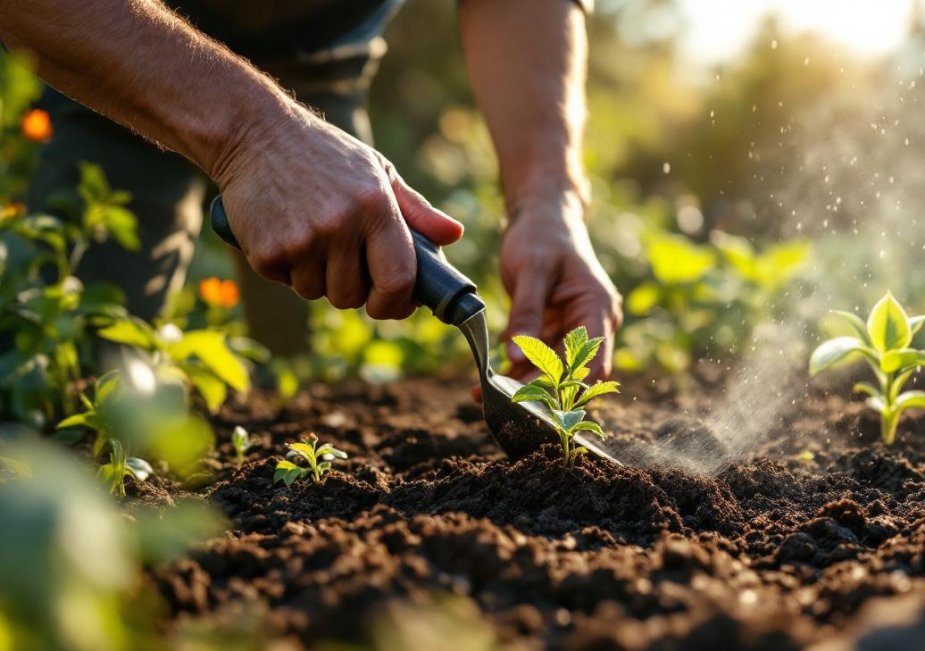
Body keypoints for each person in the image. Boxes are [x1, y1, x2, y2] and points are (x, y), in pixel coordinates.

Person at [0, 0, 622, 381]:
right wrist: (256, 135)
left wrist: (548, 199)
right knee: (71, 367)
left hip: (320, 61)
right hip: (116, 40)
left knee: (304, 364)